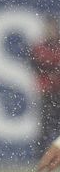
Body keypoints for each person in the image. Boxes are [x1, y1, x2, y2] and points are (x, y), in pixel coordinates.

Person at [31, 17, 60, 157]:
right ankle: (40, 156)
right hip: (47, 92)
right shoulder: (39, 47)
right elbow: (36, 66)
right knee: (45, 127)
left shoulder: (53, 47)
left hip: (57, 91)